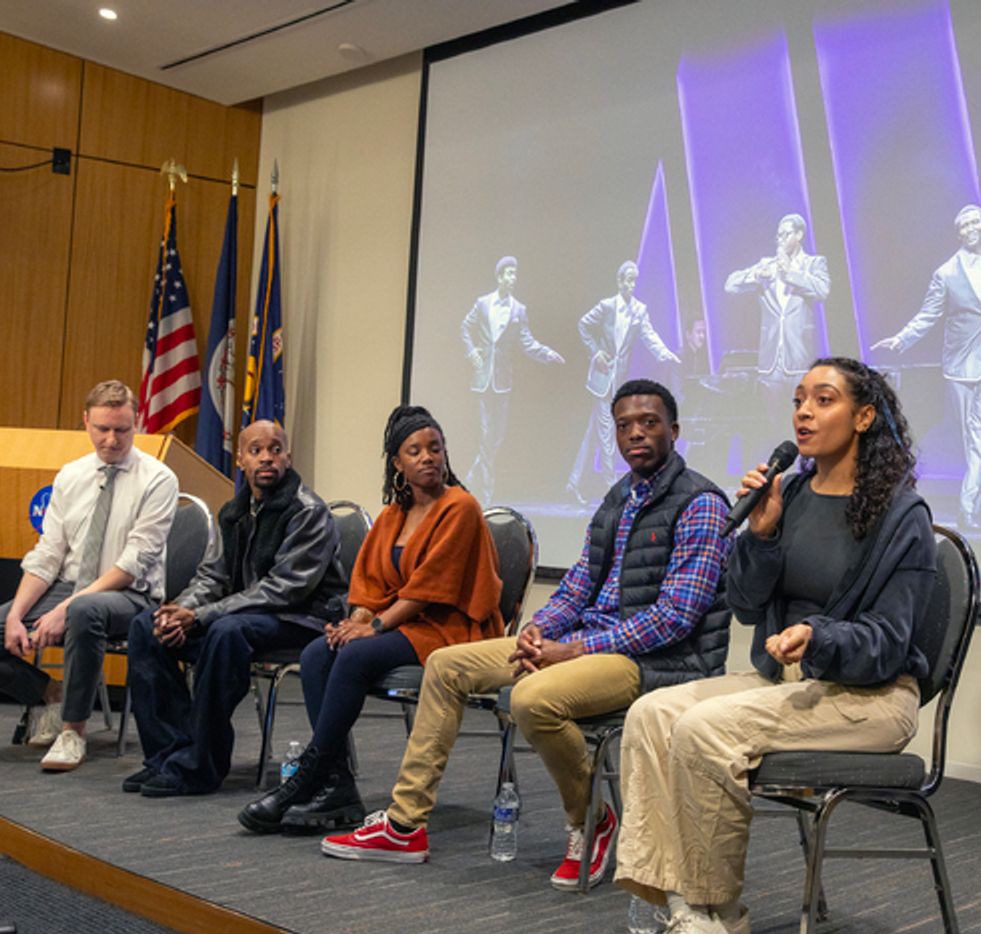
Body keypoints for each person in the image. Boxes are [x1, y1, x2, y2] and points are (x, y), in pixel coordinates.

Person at [319, 379, 732, 895]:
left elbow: (675, 617)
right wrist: (540, 629)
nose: (635, 434)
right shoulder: (619, 498)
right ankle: (405, 826)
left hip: (654, 660)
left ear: (673, 430)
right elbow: (580, 581)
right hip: (586, 640)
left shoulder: (701, 503)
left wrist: (574, 649)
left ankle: (590, 819)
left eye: (648, 423)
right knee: (447, 665)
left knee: (532, 699)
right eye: (624, 425)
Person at [613, 358, 935, 933]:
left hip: (872, 697)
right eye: (798, 399)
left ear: (864, 417)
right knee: (650, 713)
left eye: (824, 399)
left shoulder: (900, 514)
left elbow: (890, 642)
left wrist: (821, 635)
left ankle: (715, 911)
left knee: (704, 729)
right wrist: (760, 534)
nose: (805, 412)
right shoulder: (791, 493)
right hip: (789, 684)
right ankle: (672, 900)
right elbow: (743, 605)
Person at [239, 406, 502, 833]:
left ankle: (307, 776)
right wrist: (355, 619)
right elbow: (370, 581)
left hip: (447, 628)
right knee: (317, 653)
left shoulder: (461, 507)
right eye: (415, 451)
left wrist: (373, 627)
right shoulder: (393, 515)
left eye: (435, 448)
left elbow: (430, 588)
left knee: (356, 655)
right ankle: (338, 786)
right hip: (403, 624)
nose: (428, 457)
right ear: (397, 463)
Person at [0, 381, 177, 772]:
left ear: (136, 423)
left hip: (130, 595)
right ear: (86, 422)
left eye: (121, 429)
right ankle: (50, 695)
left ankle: (73, 731)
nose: (111, 439)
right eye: (102, 428)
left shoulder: (158, 479)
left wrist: (66, 609)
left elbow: (133, 564)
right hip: (68, 586)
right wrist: (18, 615)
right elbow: (48, 554)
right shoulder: (71, 476)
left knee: (85, 611)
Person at [123, 420, 347, 796]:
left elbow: (283, 589)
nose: (266, 458)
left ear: (288, 457)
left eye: (275, 450)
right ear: (240, 459)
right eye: (256, 451)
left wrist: (202, 617)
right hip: (248, 616)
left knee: (226, 633)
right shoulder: (234, 511)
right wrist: (179, 611)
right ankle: (168, 756)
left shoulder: (307, 511)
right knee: (148, 626)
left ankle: (199, 766)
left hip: (304, 619)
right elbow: (212, 577)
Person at [872, 204, 981, 531]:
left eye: (975, 222)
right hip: (960, 363)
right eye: (964, 225)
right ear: (958, 233)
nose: (971, 228)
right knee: (971, 440)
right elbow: (928, 316)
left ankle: (966, 508)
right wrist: (900, 339)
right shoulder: (946, 273)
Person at [568, 261, 680, 503]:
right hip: (602, 376)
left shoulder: (639, 310)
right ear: (620, 282)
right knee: (607, 430)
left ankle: (573, 482)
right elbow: (584, 325)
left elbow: (650, 336)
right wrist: (596, 352)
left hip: (617, 378)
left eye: (634, 280)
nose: (631, 284)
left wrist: (665, 354)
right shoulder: (607, 306)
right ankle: (611, 487)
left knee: (594, 432)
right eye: (627, 280)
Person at [460, 256, 565, 504]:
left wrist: (547, 354)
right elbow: (465, 326)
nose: (512, 278)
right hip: (483, 379)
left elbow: (527, 342)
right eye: (508, 273)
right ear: (499, 276)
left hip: (503, 381)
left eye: (515, 273)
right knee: (486, 434)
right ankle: (485, 495)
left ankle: (470, 477)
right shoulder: (483, 303)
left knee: (497, 435)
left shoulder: (519, 310)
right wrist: (471, 351)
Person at [725, 214, 831, 431]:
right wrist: (756, 276)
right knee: (773, 425)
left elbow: (823, 290)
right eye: (778, 235)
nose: (780, 239)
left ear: (799, 235)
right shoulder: (767, 265)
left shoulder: (813, 263)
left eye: (786, 234)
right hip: (770, 358)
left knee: (804, 421)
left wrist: (789, 273)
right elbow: (730, 285)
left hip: (799, 356)